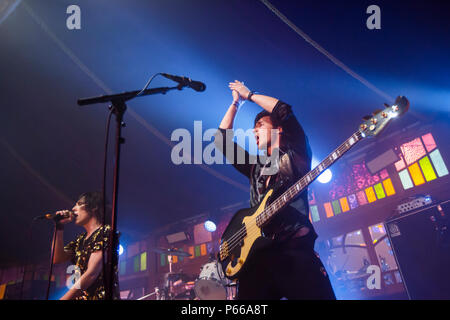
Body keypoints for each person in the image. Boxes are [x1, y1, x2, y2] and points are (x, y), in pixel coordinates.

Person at [214, 80, 336, 300]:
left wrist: (249, 94)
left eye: (260, 125)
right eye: (254, 128)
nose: (254, 131)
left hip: (294, 252)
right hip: (257, 257)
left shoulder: (296, 154)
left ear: (279, 129)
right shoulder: (255, 166)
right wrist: (235, 104)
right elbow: (222, 139)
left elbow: (283, 110)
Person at [52, 191, 120, 300]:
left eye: (79, 204)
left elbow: (91, 274)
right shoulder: (81, 240)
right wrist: (59, 227)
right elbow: (57, 258)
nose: (73, 208)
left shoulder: (106, 232)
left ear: (94, 207)